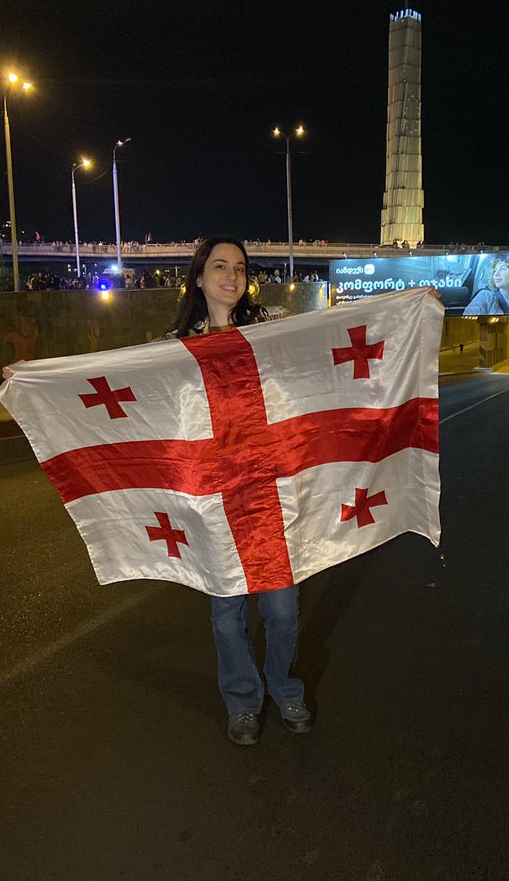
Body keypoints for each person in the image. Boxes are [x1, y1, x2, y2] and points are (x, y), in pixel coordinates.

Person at [168, 236, 312, 746]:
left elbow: (321, 350)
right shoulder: (176, 345)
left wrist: (410, 307)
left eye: (241, 268)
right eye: (220, 266)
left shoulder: (269, 331)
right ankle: (243, 700)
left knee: (282, 609)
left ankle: (284, 684)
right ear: (200, 277)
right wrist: (35, 377)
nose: (232, 276)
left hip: (269, 490)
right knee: (227, 614)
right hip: (213, 496)